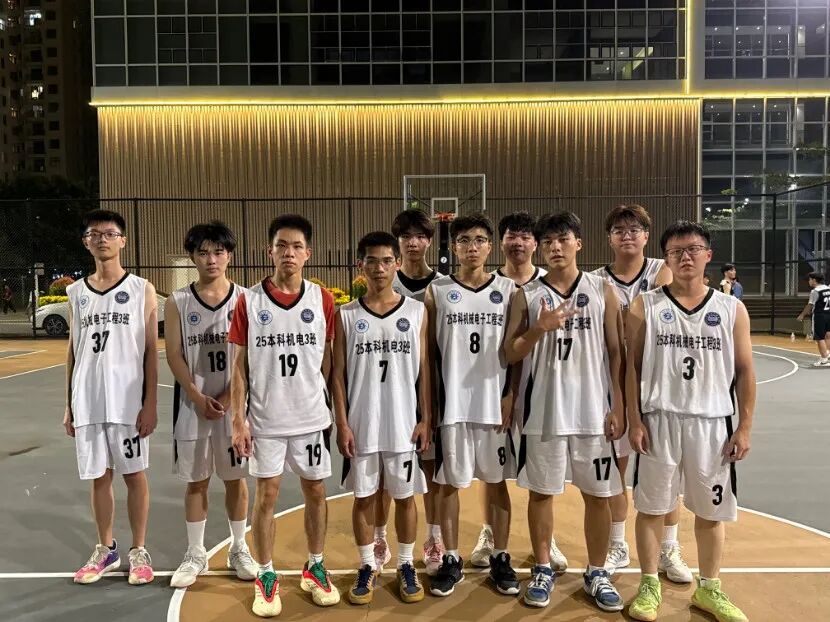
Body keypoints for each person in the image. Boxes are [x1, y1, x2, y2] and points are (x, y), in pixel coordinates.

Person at [627, 221, 754, 622]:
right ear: (665, 258)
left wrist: (744, 427)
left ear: (708, 255)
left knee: (711, 511)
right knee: (652, 507)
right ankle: (649, 584)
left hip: (712, 423)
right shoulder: (645, 305)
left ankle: (709, 588)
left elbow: (745, 371)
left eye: (693, 249)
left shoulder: (731, 308)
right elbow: (630, 368)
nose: (685, 257)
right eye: (676, 251)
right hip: (659, 419)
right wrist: (634, 419)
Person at [505, 211, 626, 612]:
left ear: (579, 243)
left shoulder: (602, 289)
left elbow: (616, 353)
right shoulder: (527, 295)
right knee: (541, 494)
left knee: (598, 495)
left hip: (593, 412)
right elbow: (510, 353)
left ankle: (597, 571)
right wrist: (538, 328)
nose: (555, 247)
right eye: (548, 242)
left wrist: (618, 405)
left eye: (563, 239)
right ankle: (542, 568)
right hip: (544, 412)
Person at [229, 214, 340, 617]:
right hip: (266, 420)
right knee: (267, 496)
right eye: (281, 245)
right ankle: (266, 573)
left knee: (316, 491)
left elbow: (327, 359)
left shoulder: (322, 299)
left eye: (296, 246)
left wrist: (323, 402)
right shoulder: (249, 300)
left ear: (308, 253)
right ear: (269, 251)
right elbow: (238, 366)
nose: (289, 253)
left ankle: (315, 566)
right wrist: (237, 420)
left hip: (310, 418)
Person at [592, 204, 691, 584]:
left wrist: (625, 321)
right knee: (613, 474)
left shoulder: (661, 270)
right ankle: (617, 543)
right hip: (612, 386)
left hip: (657, 385)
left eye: (634, 229)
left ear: (647, 236)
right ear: (609, 238)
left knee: (666, 476)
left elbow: (656, 319)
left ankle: (669, 547)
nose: (627, 235)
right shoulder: (597, 281)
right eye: (619, 230)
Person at [332, 231, 432, 605]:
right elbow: (337, 375)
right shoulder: (346, 315)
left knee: (405, 497)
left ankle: (405, 564)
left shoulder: (416, 312)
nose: (379, 268)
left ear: (397, 264)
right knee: (363, 497)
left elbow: (424, 371)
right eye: (371, 261)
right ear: (361, 266)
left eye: (386, 261)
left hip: (403, 424)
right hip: (361, 424)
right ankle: (368, 564)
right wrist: (342, 423)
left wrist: (426, 418)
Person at [468, 211, 568, 573]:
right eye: (512, 235)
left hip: (540, 392)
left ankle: (546, 539)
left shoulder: (548, 284)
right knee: (492, 471)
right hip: (492, 391)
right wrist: (506, 393)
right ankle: (490, 534)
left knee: (542, 474)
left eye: (526, 236)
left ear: (535, 244)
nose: (519, 242)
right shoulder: (490, 285)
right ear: (502, 242)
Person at [427, 213, 520, 598]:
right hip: (453, 407)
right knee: (449, 484)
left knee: (496, 484)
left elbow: (516, 352)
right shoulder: (437, 291)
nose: (472, 247)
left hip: (493, 404)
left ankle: (500, 555)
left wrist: (511, 395)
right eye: (464, 240)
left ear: (490, 246)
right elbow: (428, 357)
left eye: (480, 240)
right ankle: (451, 558)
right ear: (454, 247)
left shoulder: (509, 290)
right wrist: (430, 407)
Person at [64, 209, 158, 586]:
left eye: (109, 233)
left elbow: (151, 352)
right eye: (94, 234)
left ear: (123, 240)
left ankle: (139, 550)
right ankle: (106, 549)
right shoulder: (76, 293)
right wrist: (69, 404)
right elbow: (73, 351)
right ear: (86, 242)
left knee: (134, 474)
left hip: (127, 401)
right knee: (98, 476)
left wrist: (150, 403)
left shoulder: (141, 289)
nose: (102, 239)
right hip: (88, 400)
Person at [165, 222, 258, 588]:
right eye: (203, 253)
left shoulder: (246, 299)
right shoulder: (178, 301)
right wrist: (195, 394)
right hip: (193, 407)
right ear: (192, 257)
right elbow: (173, 353)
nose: (211, 259)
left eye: (218, 252)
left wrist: (226, 397)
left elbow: (250, 357)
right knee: (196, 481)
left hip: (234, 409)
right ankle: (195, 552)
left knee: (236, 480)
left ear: (229, 256)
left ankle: (239, 547)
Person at [370, 209, 444, 577]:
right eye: (406, 237)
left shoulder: (443, 286)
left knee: (430, 468)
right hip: (389, 392)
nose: (413, 243)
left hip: (430, 386)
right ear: (397, 244)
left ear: (429, 241)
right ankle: (380, 537)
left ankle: (434, 537)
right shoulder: (383, 280)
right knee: (385, 473)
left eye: (420, 236)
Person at [796, 271, 830, 367]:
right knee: (828, 335)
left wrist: (802, 315)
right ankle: (827, 353)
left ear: (814, 280)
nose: (809, 281)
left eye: (810, 279)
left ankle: (824, 359)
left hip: (820, 316)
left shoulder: (815, 291)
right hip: (829, 314)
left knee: (819, 337)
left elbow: (810, 305)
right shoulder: (828, 288)